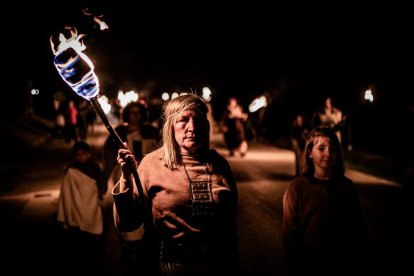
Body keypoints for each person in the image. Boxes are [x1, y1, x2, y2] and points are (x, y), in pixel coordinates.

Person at [112, 94, 240, 275]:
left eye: (198, 120)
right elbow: (126, 222)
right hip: (166, 265)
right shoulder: (152, 164)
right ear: (170, 127)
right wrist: (126, 177)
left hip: (213, 265)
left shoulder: (218, 164)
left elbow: (228, 227)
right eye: (183, 120)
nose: (192, 127)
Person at [282, 126, 369, 276]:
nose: (328, 153)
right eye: (321, 148)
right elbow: (290, 235)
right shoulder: (297, 188)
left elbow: (358, 230)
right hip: (310, 267)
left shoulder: (347, 187)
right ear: (310, 152)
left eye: (333, 149)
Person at [103, 101, 160, 276]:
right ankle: (129, 244)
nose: (136, 116)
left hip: (148, 176)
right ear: (127, 114)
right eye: (132, 112)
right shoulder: (118, 133)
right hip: (125, 175)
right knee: (128, 207)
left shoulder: (151, 131)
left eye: (138, 112)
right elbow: (108, 157)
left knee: (148, 209)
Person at [56, 141, 106, 274]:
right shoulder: (71, 171)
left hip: (91, 205)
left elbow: (102, 184)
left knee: (92, 235)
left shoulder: (95, 167)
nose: (81, 157)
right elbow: (67, 192)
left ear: (89, 154)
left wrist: (99, 191)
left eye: (83, 154)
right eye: (77, 155)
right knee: (80, 238)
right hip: (78, 206)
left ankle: (93, 260)